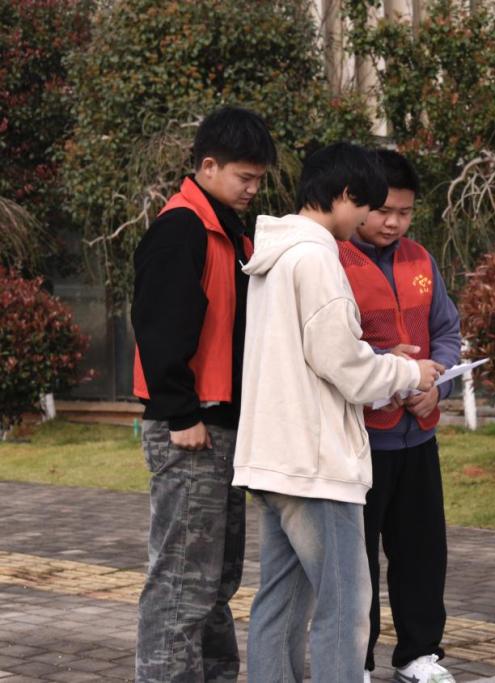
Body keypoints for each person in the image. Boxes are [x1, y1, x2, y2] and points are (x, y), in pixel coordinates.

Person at [233, 141, 443, 683]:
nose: (369, 221)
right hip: (316, 461)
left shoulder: (275, 255)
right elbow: (345, 364)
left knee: (281, 602)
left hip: (273, 458)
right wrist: (409, 373)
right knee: (345, 607)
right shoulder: (317, 258)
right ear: (345, 195)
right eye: (367, 207)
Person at [132, 105, 276, 682]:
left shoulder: (229, 230)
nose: (253, 188)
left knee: (215, 581)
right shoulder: (182, 228)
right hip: (191, 429)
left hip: (220, 429)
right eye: (245, 177)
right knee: (181, 583)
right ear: (208, 166)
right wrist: (180, 413)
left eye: (258, 178)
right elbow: (158, 327)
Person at [338, 149, 461, 683]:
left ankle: (418, 655)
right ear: (359, 201)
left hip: (419, 437)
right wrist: (387, 376)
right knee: (357, 560)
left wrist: (438, 386)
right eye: (384, 210)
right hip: (362, 440)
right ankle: (356, 662)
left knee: (422, 552)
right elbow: (337, 349)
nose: (393, 223)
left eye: (405, 212)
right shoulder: (334, 261)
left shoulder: (420, 260)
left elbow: (447, 333)